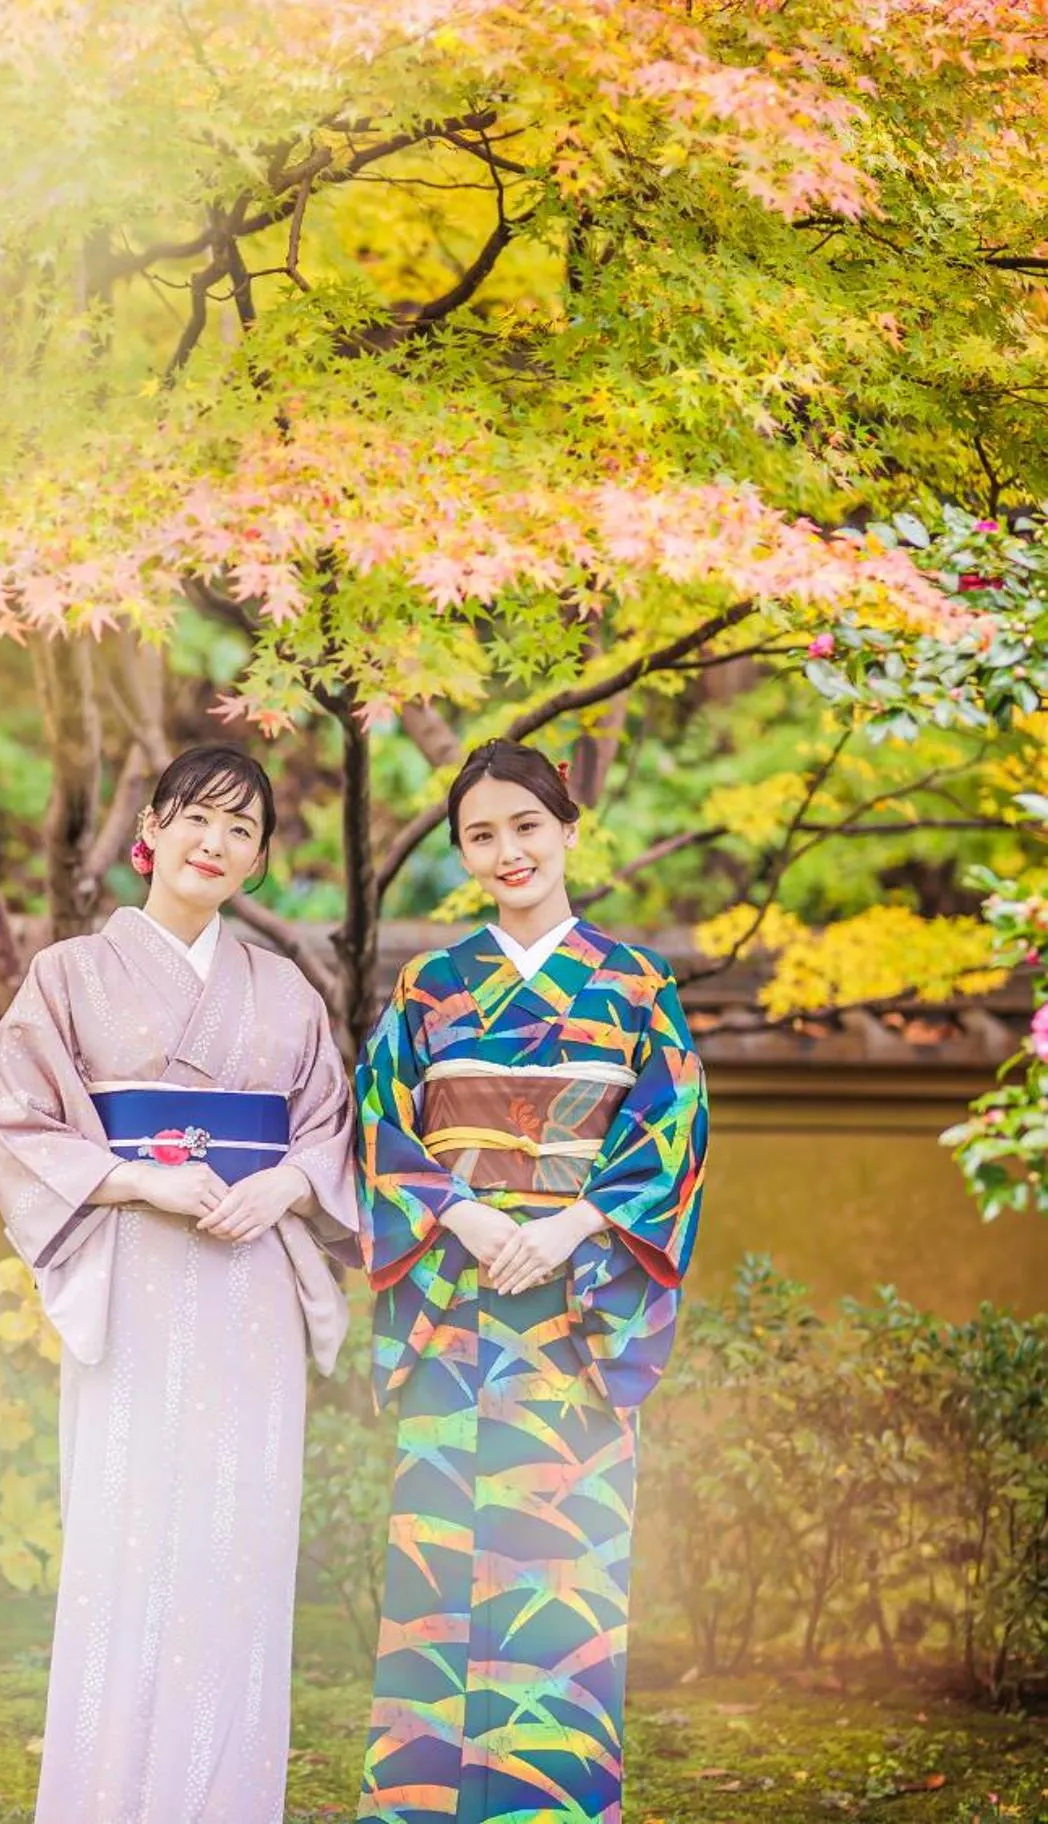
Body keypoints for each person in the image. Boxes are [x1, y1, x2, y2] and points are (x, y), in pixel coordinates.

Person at [0, 743, 360, 1824]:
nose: (214, 842)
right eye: (197, 816)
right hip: (136, 1274)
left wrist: (286, 1181)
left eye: (240, 829)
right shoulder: (65, 976)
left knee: (237, 1543)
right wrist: (142, 1184)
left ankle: (226, 1801)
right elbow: (19, 1118)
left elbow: (329, 1131)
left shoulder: (281, 991)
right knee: (126, 1533)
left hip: (249, 1288)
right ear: (151, 827)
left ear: (256, 860)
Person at [354, 739, 711, 1824]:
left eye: (523, 825)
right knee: (438, 1574)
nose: (504, 850)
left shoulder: (634, 983)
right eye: (479, 835)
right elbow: (375, 1126)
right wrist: (455, 1209)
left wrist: (566, 1230)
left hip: (572, 1317)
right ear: (461, 851)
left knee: (558, 1578)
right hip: (452, 1313)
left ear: (565, 829)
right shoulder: (430, 985)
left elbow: (671, 1136)